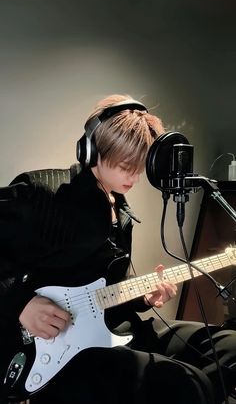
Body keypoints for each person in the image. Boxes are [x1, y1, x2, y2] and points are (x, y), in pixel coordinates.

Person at [0, 94, 236, 404]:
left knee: (229, 347)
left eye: (140, 167)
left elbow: (108, 294)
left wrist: (143, 297)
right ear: (91, 150)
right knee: (184, 383)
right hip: (56, 348)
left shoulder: (121, 212)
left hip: (114, 330)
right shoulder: (43, 192)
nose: (134, 176)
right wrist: (21, 303)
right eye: (126, 165)